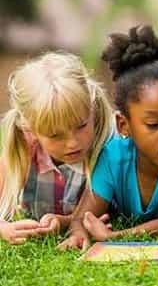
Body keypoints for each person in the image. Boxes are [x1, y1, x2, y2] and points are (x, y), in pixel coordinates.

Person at [59, 25, 158, 250]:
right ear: (123, 125)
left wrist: (114, 237)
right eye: (154, 124)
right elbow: (82, 217)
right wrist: (78, 233)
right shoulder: (112, 156)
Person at [0, 52, 113, 244]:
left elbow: (112, 214)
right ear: (31, 129)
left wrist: (64, 222)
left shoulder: (109, 148)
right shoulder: (24, 148)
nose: (73, 143)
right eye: (55, 135)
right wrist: (3, 228)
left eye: (81, 126)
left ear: (91, 108)